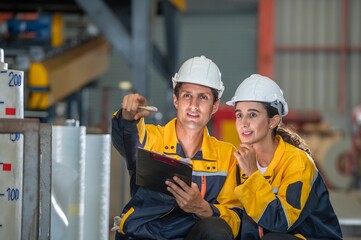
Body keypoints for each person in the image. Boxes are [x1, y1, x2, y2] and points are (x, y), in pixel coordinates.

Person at [111, 55, 241, 240]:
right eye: (187, 95)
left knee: (216, 230)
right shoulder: (151, 140)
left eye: (203, 97)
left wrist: (203, 208)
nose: (194, 105)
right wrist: (128, 117)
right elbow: (126, 140)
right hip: (144, 234)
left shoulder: (228, 156)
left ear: (214, 106)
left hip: (193, 235)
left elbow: (234, 218)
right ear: (176, 100)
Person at [226, 74, 343, 240]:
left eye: (252, 115)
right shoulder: (239, 163)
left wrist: (253, 174)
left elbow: (281, 221)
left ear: (273, 121)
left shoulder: (297, 162)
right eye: (239, 115)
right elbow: (236, 215)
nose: (243, 123)